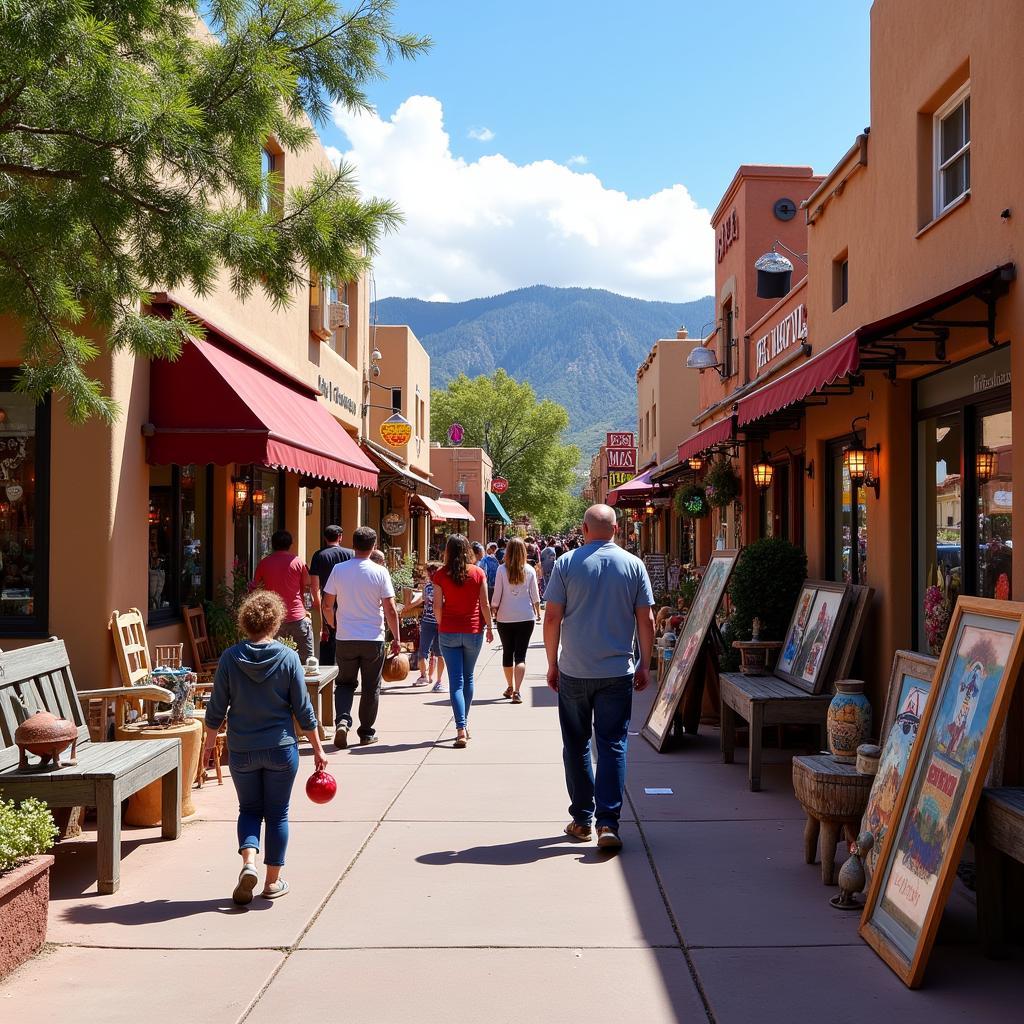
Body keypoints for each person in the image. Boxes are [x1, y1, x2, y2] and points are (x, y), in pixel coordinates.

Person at [203, 590, 328, 905]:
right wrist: (317, 748)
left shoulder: (231, 658)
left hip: (242, 750)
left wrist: (207, 746)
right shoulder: (288, 658)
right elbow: (303, 708)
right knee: (277, 814)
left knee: (248, 810)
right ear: (275, 622)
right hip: (281, 749)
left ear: (245, 622)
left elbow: (216, 708)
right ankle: (272, 882)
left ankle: (248, 863)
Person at [543, 504, 655, 852]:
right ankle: (608, 823)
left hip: (575, 670)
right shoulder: (633, 565)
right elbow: (647, 620)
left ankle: (582, 819)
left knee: (576, 745)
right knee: (612, 745)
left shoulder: (566, 563)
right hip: (616, 672)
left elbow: (551, 619)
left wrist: (552, 663)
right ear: (617, 529)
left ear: (584, 528)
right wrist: (645, 663)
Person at [322, 526, 402, 748]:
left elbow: (327, 604)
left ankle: (342, 721)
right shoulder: (380, 572)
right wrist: (396, 637)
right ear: (374, 546)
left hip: (346, 636)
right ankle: (366, 732)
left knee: (345, 683)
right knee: (370, 686)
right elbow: (390, 610)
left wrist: (333, 624)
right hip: (372, 638)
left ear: (352, 544)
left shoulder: (339, 570)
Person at [434, 534, 494, 748]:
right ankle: (463, 725)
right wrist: (489, 626)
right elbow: (485, 603)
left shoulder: (440, 574)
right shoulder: (478, 572)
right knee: (468, 678)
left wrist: (442, 626)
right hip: (473, 630)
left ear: (448, 550)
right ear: (468, 549)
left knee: (455, 681)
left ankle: (461, 727)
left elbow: (437, 606)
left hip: (449, 630)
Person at [491, 537, 541, 704]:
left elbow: (497, 594)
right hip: (526, 617)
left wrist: (494, 609)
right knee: (520, 655)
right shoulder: (530, 570)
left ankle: (510, 686)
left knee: (507, 652)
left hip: (505, 618)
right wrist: (538, 612)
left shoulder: (501, 570)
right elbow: (535, 595)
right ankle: (518, 691)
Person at [252, 530, 314, 663]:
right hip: (297, 616)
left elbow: (254, 588)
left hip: (274, 618)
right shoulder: (298, 562)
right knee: (307, 661)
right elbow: (307, 587)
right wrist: (307, 609)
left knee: (273, 660)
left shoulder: (264, 563)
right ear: (290, 544)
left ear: (272, 544)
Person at [309, 525, 354, 667]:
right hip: (347, 600)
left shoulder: (319, 555)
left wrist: (317, 603)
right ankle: (346, 667)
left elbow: (314, 585)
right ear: (340, 537)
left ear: (325, 538)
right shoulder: (350, 554)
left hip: (327, 600)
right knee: (347, 637)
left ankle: (328, 674)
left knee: (327, 639)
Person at [408, 563, 446, 691]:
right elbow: (422, 600)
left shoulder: (441, 586)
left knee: (438, 652)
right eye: (429, 572)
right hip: (432, 621)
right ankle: (426, 677)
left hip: (438, 622)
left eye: (432, 571)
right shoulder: (429, 586)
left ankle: (435, 679)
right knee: (426, 651)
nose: (430, 574)